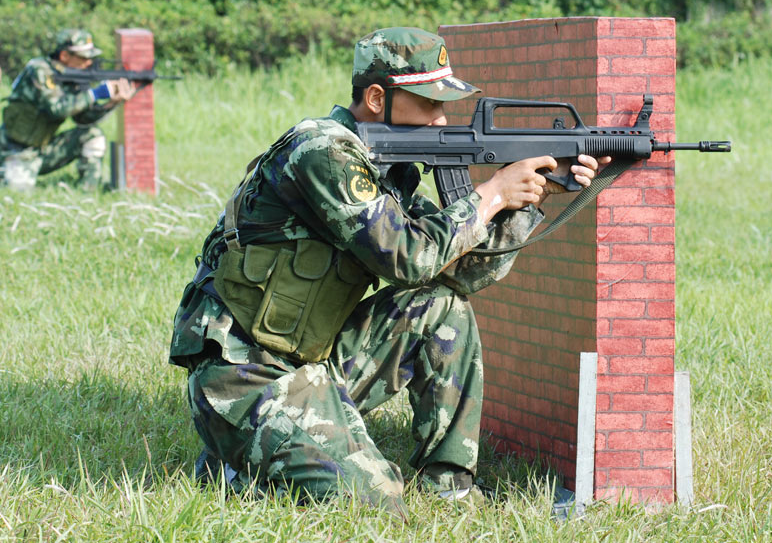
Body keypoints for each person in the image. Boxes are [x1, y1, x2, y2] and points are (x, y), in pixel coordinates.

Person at [168, 27, 607, 517]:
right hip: (245, 373)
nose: (441, 118)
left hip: (310, 360)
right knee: (376, 503)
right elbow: (409, 257)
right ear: (378, 98)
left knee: (441, 308)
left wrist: (528, 199)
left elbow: (460, 273)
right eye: (428, 103)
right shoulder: (323, 154)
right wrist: (493, 194)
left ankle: (450, 491)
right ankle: (241, 465)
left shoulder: (385, 174)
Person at [0, 29, 134, 191]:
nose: (89, 63)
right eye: (84, 58)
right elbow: (57, 109)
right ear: (64, 56)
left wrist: (111, 103)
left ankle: (88, 192)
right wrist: (95, 93)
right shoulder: (39, 70)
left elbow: (82, 119)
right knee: (17, 192)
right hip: (14, 151)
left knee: (92, 135)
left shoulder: (73, 78)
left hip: (43, 150)